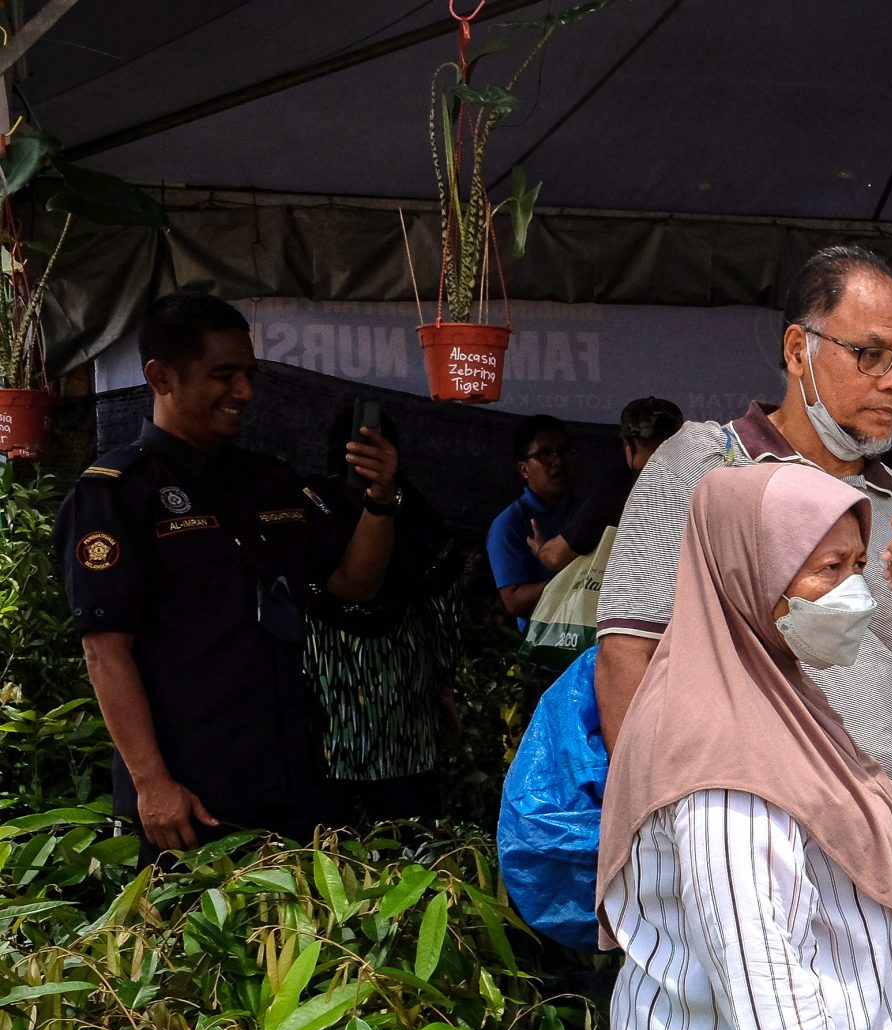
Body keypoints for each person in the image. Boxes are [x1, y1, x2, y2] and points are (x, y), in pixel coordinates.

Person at [599, 460, 892, 1030]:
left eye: (855, 566)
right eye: (828, 569)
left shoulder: (765, 697)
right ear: (753, 571)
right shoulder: (721, 754)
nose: (852, 593)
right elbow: (764, 967)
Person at [593, 246, 892, 777]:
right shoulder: (704, 466)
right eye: (870, 353)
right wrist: (655, 820)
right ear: (798, 351)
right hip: (733, 831)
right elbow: (626, 654)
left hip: (874, 831)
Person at [63, 291, 401, 853]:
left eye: (249, 374)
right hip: (190, 798)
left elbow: (354, 585)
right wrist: (152, 785)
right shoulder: (118, 493)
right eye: (224, 375)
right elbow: (104, 652)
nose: (244, 392)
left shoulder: (271, 479)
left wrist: (382, 500)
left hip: (294, 783)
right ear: (161, 376)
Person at [303, 404, 464, 823]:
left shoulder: (312, 503)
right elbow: (439, 603)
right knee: (406, 846)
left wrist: (443, 686)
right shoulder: (405, 508)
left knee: (329, 855)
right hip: (391, 722)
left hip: (338, 724)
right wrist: (444, 686)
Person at [539, 395, 683, 571]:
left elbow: (557, 557)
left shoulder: (618, 487)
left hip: (634, 596)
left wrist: (540, 549)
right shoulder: (704, 483)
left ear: (627, 444)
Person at [488, 414, 574, 623]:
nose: (558, 461)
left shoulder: (589, 510)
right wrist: (575, 576)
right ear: (524, 469)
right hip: (546, 643)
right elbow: (514, 601)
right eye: (544, 454)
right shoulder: (509, 524)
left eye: (563, 452)